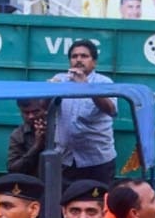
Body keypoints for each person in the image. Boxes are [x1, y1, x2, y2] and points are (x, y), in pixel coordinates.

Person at [50, 40, 117, 186]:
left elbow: (111, 109)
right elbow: (42, 108)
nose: (78, 60)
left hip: (97, 160)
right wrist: (48, 90)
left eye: (84, 56)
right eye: (74, 56)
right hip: (66, 159)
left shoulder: (104, 82)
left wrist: (87, 87)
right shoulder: (60, 79)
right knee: (65, 205)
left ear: (94, 62)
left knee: (97, 204)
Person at [7, 99, 49, 176]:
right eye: (26, 113)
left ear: (46, 110)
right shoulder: (18, 135)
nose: (31, 116)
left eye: (35, 111)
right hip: (33, 184)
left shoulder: (60, 130)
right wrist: (36, 147)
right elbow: (13, 170)